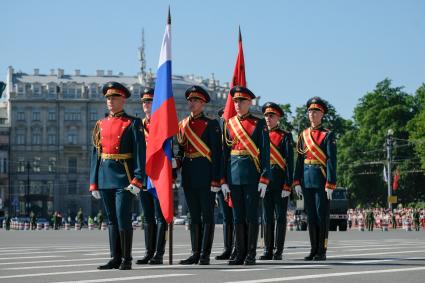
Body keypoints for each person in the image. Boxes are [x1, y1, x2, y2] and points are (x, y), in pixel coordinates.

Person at [89, 81, 146, 270]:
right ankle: (115, 257)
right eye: (108, 98)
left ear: (123, 100)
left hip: (124, 176)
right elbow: (96, 154)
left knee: (123, 217)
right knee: (111, 219)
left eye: (114, 98)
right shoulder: (101, 124)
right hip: (105, 176)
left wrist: (138, 179)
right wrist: (93, 182)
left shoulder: (133, 123)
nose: (110, 101)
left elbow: (140, 153)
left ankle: (126, 259)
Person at [222, 86, 271, 265]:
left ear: (249, 102)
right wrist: (223, 179)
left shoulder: (259, 124)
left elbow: (265, 153)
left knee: (251, 216)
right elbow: (225, 154)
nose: (238, 104)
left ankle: (250, 253)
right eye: (235, 101)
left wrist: (265, 178)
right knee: (237, 216)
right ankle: (239, 252)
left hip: (252, 175)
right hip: (234, 176)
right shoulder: (229, 124)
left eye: (241, 101)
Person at [176, 85, 222, 265]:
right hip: (188, 174)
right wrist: (176, 162)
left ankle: (205, 254)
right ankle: (195, 252)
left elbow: (217, 154)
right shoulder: (182, 125)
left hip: (206, 174)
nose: (191, 103)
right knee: (193, 216)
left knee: (207, 215)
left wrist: (216, 179)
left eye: (195, 100)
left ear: (202, 103)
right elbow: (181, 150)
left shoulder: (211, 124)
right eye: (190, 100)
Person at [293, 97, 336, 261]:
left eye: (316, 111)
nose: (312, 114)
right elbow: (299, 159)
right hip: (306, 179)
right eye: (310, 111)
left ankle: (321, 250)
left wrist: (331, 183)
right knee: (310, 216)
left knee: (321, 216)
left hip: (321, 179)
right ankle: (313, 249)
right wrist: (296, 180)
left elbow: (331, 161)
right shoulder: (303, 135)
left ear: (322, 114)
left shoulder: (328, 135)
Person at [135, 88, 168, 265]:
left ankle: (159, 253)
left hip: (159, 176)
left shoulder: (164, 124)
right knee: (147, 216)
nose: (146, 105)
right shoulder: (139, 125)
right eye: (144, 102)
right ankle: (149, 252)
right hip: (143, 176)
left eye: (149, 102)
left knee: (160, 217)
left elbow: (172, 149)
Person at [259, 102, 294, 260]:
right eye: (266, 115)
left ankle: (278, 250)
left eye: (271, 115)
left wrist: (288, 184)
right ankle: (267, 249)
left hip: (280, 183)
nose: (268, 118)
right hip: (265, 183)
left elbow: (289, 162)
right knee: (267, 217)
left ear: (278, 118)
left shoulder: (285, 136)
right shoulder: (260, 134)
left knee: (280, 217)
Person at [215, 108, 235, 261]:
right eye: (223, 116)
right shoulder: (217, 135)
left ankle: (240, 247)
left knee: (240, 216)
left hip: (236, 178)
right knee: (226, 217)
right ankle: (227, 248)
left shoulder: (237, 133)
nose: (225, 118)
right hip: (222, 181)